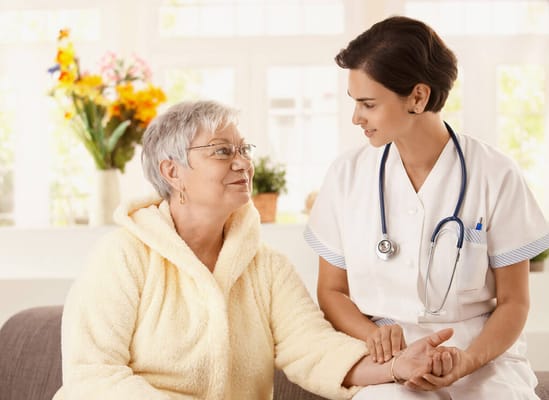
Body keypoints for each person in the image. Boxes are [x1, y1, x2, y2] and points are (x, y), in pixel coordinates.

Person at [53, 100, 457, 400]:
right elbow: (92, 376)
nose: (242, 163)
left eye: (244, 150)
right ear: (172, 172)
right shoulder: (123, 255)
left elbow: (313, 348)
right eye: (222, 151)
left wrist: (395, 367)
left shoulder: (267, 268)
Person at [305, 15, 549, 399]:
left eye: (368, 104)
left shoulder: (495, 173)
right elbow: (332, 291)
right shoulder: (346, 177)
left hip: (480, 357)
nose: (356, 118)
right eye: (355, 103)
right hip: (390, 360)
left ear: (418, 97)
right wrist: (377, 338)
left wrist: (467, 361)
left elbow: (515, 301)